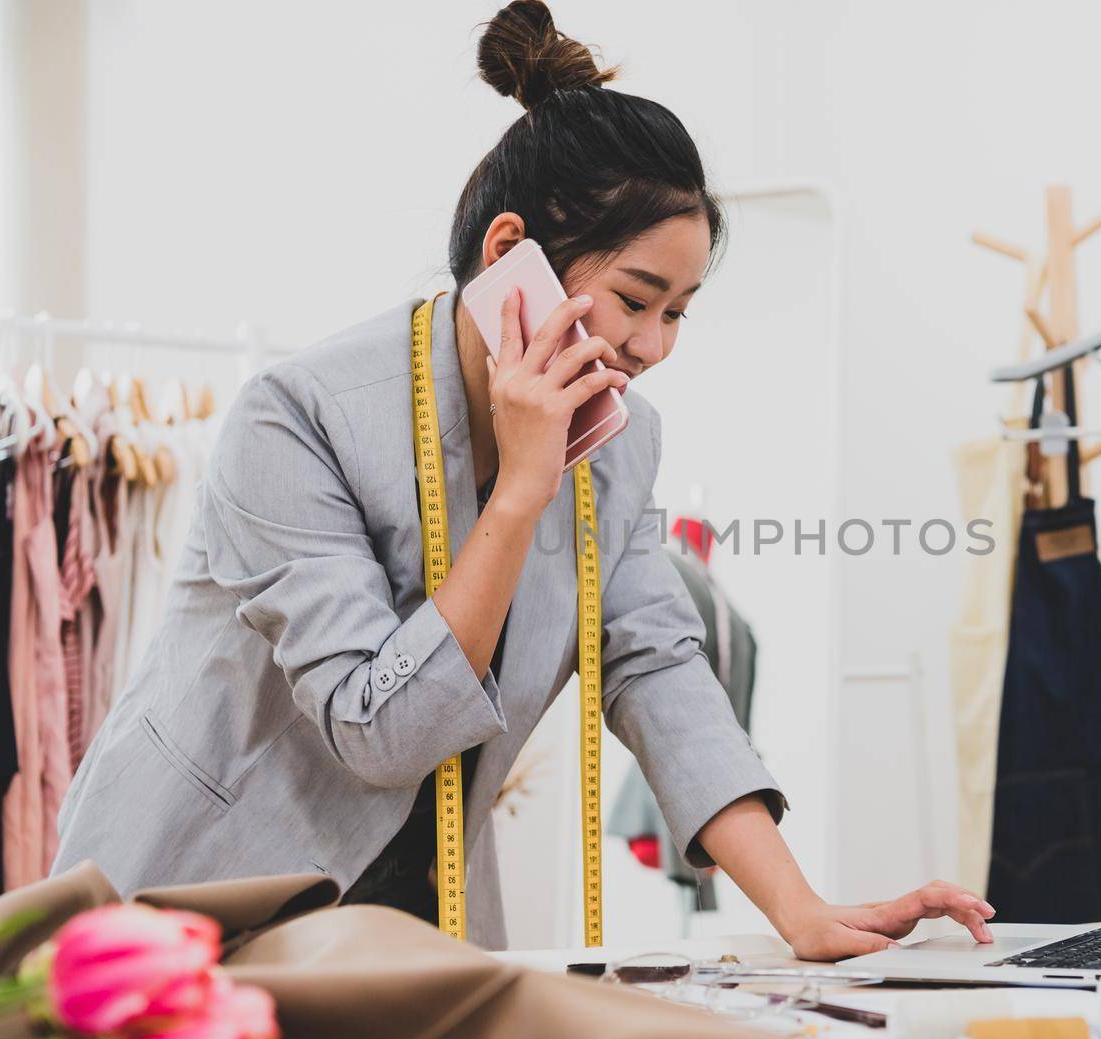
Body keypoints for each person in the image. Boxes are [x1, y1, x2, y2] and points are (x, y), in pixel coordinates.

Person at [53, 0, 996, 957]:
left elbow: (657, 665)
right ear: (509, 257)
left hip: (411, 908)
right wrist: (519, 492)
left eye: (680, 313)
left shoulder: (621, 444)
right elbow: (376, 734)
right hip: (189, 899)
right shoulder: (296, 419)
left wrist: (800, 908)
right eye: (636, 299)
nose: (654, 346)